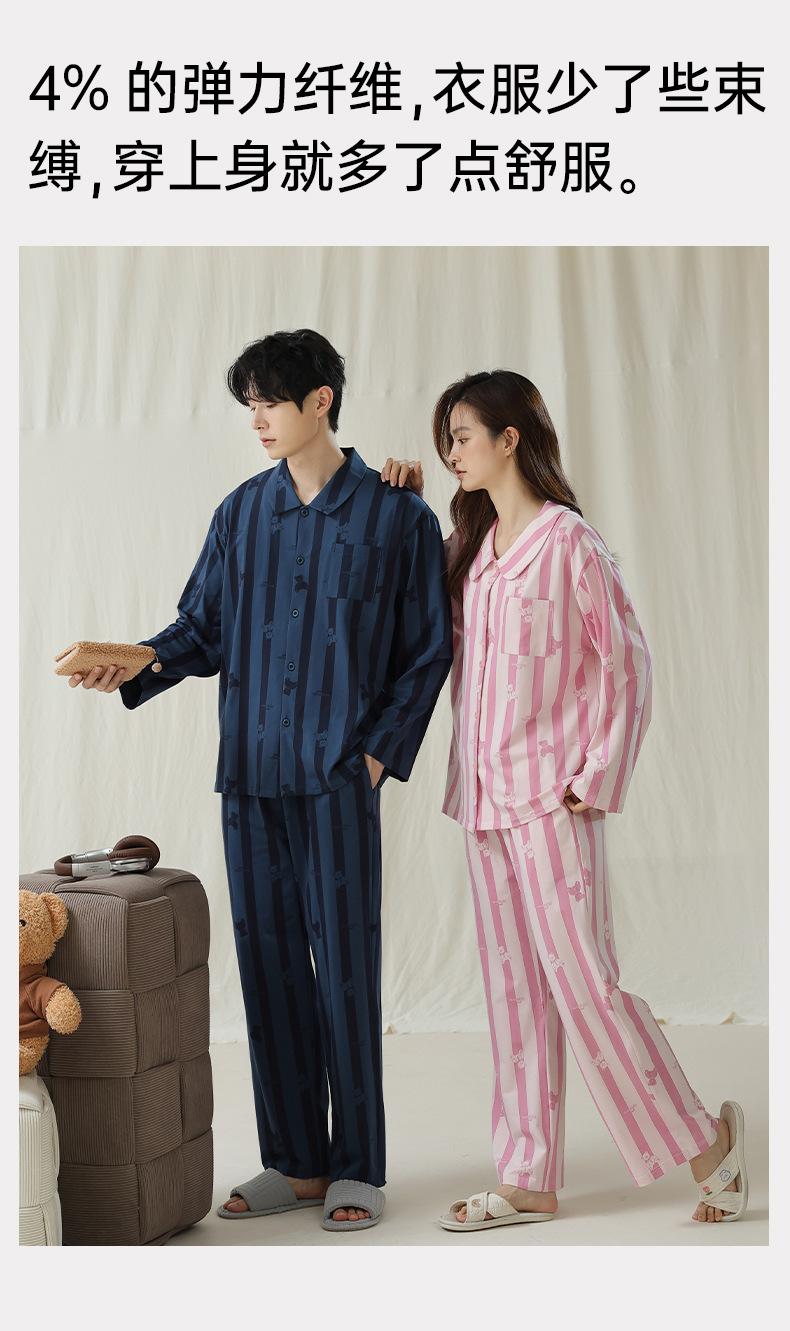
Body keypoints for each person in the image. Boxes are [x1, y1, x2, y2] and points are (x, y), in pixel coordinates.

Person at [68, 329, 453, 1232]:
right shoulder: (241, 513)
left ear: (322, 400)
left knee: (345, 971)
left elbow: (427, 650)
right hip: (249, 774)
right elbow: (199, 631)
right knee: (269, 967)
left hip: (335, 779)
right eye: (250, 404)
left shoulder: (398, 517)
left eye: (271, 401)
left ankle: (358, 1166)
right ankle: (297, 1161)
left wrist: (373, 755)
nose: (258, 420)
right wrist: (132, 663)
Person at [381, 369, 747, 1229]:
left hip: (553, 799)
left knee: (584, 981)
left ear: (510, 438)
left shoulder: (569, 541)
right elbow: (413, 625)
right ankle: (528, 1176)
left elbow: (628, 662)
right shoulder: (470, 550)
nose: (453, 451)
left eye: (463, 435)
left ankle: (708, 1143)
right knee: (514, 994)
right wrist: (401, 506)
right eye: (446, 439)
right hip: (482, 801)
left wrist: (597, 772)